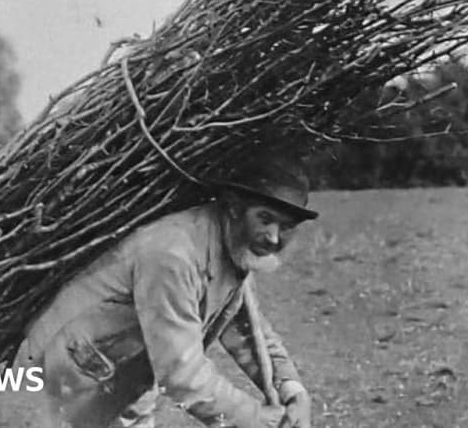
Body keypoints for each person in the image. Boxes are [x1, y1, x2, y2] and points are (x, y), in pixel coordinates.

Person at [25, 155, 318, 428]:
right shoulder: (174, 253)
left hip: (124, 370)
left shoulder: (232, 245)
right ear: (234, 208)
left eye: (287, 226)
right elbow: (182, 375)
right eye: (265, 219)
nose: (274, 237)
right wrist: (260, 421)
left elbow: (248, 328)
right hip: (70, 371)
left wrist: (292, 389)